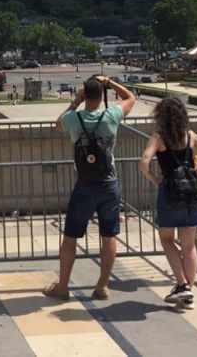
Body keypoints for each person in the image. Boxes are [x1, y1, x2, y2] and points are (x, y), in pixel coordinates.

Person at [44, 74, 135, 301]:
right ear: (101, 94)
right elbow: (130, 97)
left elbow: (57, 123)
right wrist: (110, 82)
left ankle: (63, 286)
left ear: (85, 95)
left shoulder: (74, 119)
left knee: (70, 237)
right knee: (109, 236)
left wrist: (75, 101)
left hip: (84, 184)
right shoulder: (112, 115)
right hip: (109, 182)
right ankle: (102, 285)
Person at [138, 96, 197, 305]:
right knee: (189, 245)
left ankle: (182, 284)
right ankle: (188, 291)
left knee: (167, 239)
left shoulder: (159, 138)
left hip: (169, 191)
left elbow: (143, 163)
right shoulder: (190, 135)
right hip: (191, 193)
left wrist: (155, 179)